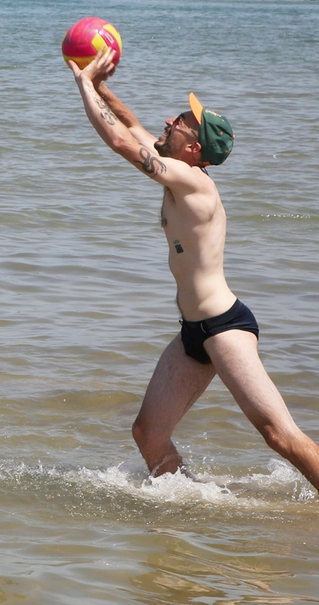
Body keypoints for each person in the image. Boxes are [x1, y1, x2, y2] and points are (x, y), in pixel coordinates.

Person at [69, 47, 319, 490]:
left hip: (224, 327)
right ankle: (197, 504)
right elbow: (132, 127)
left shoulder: (193, 181)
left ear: (194, 147)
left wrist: (84, 86)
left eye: (181, 121)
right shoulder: (178, 166)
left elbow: (121, 143)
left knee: (280, 436)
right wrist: (103, 87)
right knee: (148, 433)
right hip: (193, 332)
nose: (169, 121)